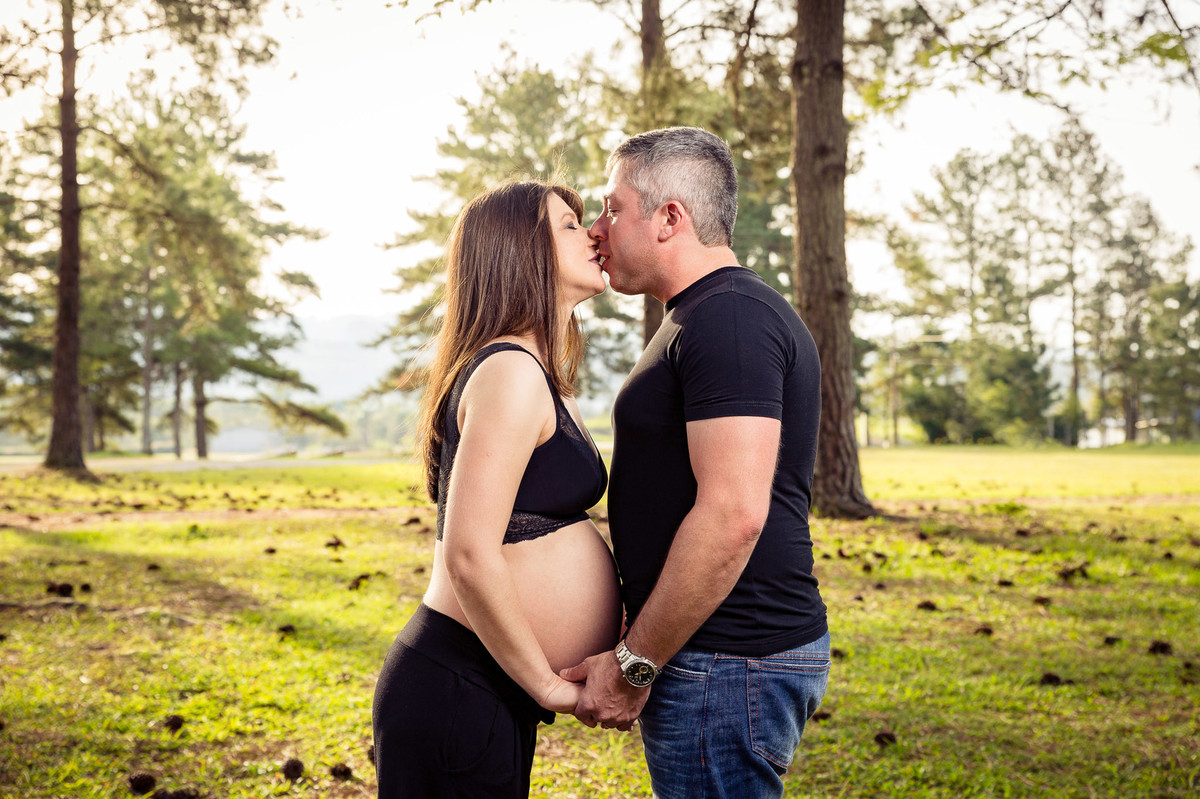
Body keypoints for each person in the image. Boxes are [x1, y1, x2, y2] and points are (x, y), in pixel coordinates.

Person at [561, 127, 831, 799]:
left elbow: (734, 513)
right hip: (716, 659)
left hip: (730, 663)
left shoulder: (727, 319)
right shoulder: (702, 317)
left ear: (670, 217)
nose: (597, 228)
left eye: (611, 207)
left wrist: (634, 665)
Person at [372, 180, 622, 798]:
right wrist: (547, 685)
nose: (592, 233)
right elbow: (468, 553)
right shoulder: (510, 371)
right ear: (520, 251)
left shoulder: (531, 367)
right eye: (569, 224)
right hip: (459, 688)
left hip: (479, 689)